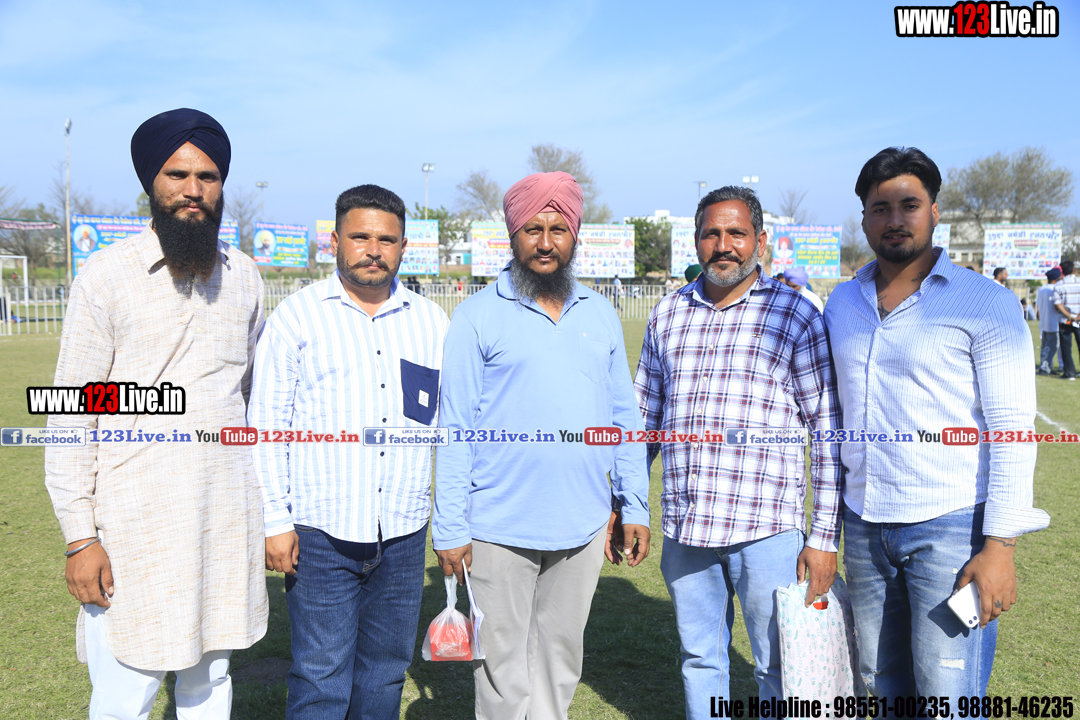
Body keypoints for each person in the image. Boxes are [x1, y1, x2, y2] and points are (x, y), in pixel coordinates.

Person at [44, 108, 268, 720]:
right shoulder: (107, 278)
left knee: (210, 683)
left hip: (224, 524)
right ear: (151, 182)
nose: (193, 190)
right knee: (126, 694)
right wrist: (80, 539)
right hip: (134, 530)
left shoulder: (245, 279)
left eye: (208, 176)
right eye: (177, 174)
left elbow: (249, 398)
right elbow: (71, 419)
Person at [825, 146, 1049, 699]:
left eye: (909, 205)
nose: (895, 220)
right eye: (880, 208)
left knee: (948, 693)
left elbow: (1013, 430)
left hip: (951, 528)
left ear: (934, 212)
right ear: (864, 219)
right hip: (865, 525)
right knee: (879, 683)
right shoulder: (842, 303)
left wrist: (1000, 547)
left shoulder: (986, 303)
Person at [433, 171, 651, 720]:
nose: (546, 242)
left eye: (558, 229)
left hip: (582, 524)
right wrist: (451, 527)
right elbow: (454, 426)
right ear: (513, 235)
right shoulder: (476, 315)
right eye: (533, 229)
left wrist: (634, 505)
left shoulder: (599, 313)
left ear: (575, 235)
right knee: (501, 672)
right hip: (498, 526)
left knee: (560, 660)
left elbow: (623, 419)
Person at [634, 186, 841, 717]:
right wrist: (628, 504)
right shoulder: (667, 315)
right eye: (712, 233)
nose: (723, 245)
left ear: (760, 242)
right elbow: (643, 423)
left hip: (767, 530)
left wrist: (823, 537)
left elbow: (827, 432)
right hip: (687, 529)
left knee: (780, 665)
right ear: (696, 240)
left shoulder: (795, 315)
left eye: (736, 233)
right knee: (700, 659)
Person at [249, 185, 449, 718]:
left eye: (387, 240)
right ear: (335, 241)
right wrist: (275, 521)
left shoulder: (431, 321)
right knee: (320, 677)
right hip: (320, 533)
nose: (373, 250)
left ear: (403, 247)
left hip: (403, 531)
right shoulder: (297, 317)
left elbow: (447, 425)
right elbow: (266, 426)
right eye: (360, 237)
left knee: (386, 672)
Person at [1053, 260, 1080, 381]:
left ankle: (1070, 373)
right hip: (1079, 319)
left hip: (1065, 320)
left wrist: (1069, 316)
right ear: (1073, 270)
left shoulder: (1059, 285)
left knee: (1066, 347)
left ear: (1062, 272)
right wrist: (1078, 316)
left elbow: (1057, 304)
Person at [1036, 268, 1062, 374]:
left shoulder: (1042, 289)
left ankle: (1046, 365)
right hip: (1053, 323)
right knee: (1052, 347)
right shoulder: (1055, 289)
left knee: (1045, 347)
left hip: (1043, 322)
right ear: (1056, 278)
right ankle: (1045, 367)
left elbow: (1038, 305)